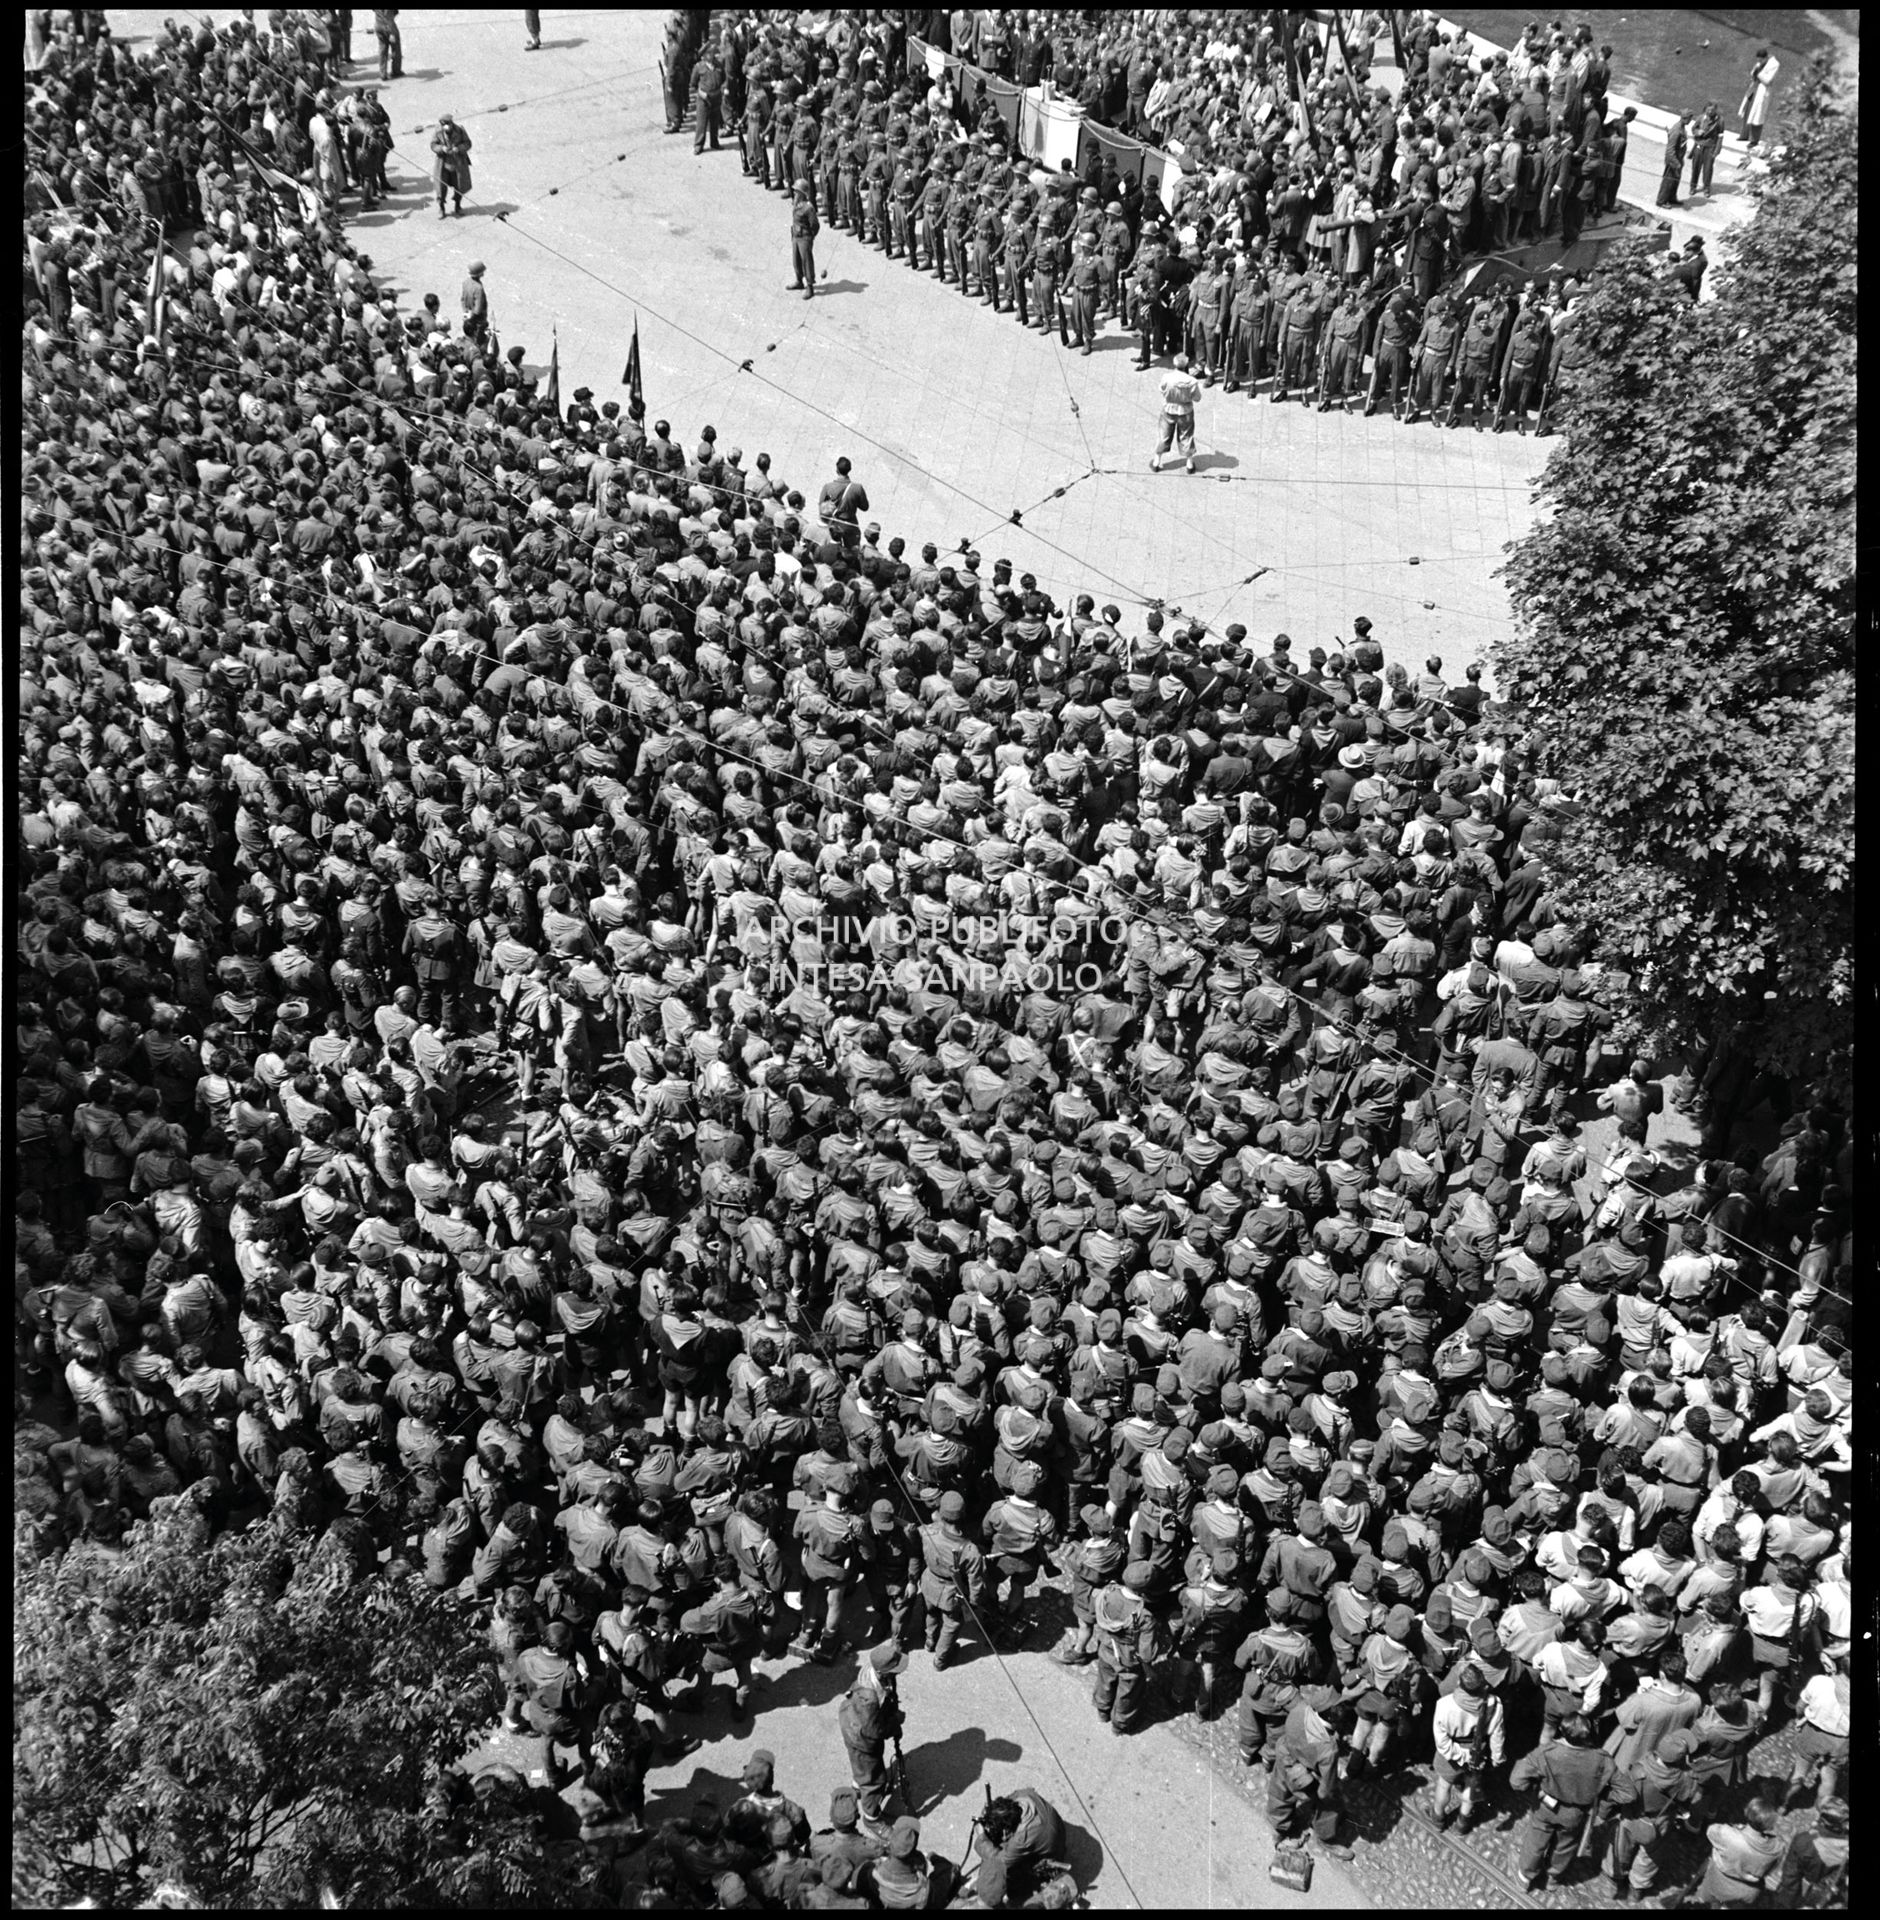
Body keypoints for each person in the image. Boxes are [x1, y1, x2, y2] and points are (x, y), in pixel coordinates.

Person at [1509, 1711, 1617, 1894]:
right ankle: (1553, 1879)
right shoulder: (1601, 1759)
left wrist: (1538, 1793)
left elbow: (1516, 1781)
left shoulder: (1546, 1752)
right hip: (1575, 1813)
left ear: (1563, 1731)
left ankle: (1524, 1878)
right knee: (1565, 1846)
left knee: (1536, 1841)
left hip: (1546, 1808)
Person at [836, 1640, 906, 1839]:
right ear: (883, 1672)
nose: (898, 1673)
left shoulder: (874, 1673)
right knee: (875, 1780)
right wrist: (895, 1723)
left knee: (862, 1767)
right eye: (894, 1670)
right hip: (861, 1736)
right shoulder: (869, 1699)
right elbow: (873, 1731)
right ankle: (872, 1818)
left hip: (854, 1724)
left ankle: (858, 1786)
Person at [1152, 352, 1200, 474]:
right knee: (1186, 436)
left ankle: (1156, 461)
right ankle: (1189, 464)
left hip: (1169, 409)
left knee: (1164, 435)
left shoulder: (1166, 377)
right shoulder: (1192, 381)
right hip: (1186, 411)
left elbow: (1161, 389)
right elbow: (1197, 398)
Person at [430, 113, 473, 219]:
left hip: (457, 164)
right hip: (443, 165)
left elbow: (468, 143)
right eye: (443, 124)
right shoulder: (438, 131)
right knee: (441, 188)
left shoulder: (460, 130)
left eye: (448, 124)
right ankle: (441, 208)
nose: (446, 127)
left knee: (459, 186)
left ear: (451, 123)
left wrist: (458, 148)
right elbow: (433, 145)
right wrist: (442, 148)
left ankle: (458, 206)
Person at [1739, 48, 1779, 147]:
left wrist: (1759, 73)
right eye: (1758, 60)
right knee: (1747, 111)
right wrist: (1755, 73)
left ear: (1766, 58)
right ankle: (1744, 134)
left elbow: (1768, 80)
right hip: (1754, 89)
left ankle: (1754, 140)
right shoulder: (1759, 64)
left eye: (1761, 60)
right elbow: (1753, 73)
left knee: (1757, 116)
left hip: (1763, 91)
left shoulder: (1774, 64)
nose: (1759, 62)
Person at [1688, 102, 1725, 199]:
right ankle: (1693, 186)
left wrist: (1717, 150)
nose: (1710, 112)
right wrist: (1697, 132)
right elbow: (1693, 128)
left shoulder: (1720, 121)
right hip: (1699, 146)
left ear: (1715, 110)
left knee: (1708, 169)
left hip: (1710, 147)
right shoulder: (1701, 118)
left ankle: (1706, 188)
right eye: (1708, 110)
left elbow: (1720, 136)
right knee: (1695, 167)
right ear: (1705, 109)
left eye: (1712, 110)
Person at [791, 183, 820, 297]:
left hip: (804, 237)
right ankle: (799, 281)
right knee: (796, 260)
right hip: (796, 236)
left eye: (796, 191)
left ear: (802, 194)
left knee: (806, 262)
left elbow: (815, 225)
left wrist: (810, 237)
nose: (794, 193)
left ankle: (810, 286)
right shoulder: (796, 204)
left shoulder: (808, 208)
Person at [1657, 112, 1688, 209]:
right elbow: (1670, 150)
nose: (1689, 121)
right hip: (1673, 160)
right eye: (1689, 119)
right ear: (1685, 118)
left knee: (1675, 181)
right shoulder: (1677, 130)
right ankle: (1661, 201)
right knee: (1668, 181)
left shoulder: (1681, 128)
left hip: (1678, 158)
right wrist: (1676, 163)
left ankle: (1671, 198)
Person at [461, 262, 490, 346]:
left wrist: (466, 312)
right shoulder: (478, 288)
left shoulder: (465, 282)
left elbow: (462, 299)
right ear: (478, 273)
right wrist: (472, 315)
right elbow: (478, 310)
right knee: (479, 339)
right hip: (478, 319)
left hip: (467, 315)